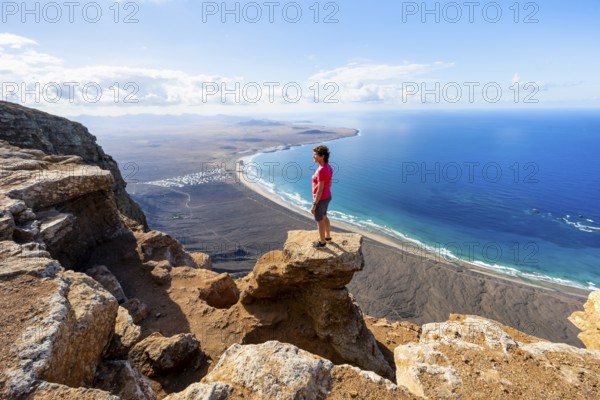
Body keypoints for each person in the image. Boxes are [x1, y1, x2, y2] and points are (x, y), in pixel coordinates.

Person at [311, 144, 332, 248]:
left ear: (322, 156)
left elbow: (319, 190)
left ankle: (322, 242)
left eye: (315, 155)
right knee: (324, 217)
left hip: (321, 198)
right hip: (327, 197)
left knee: (319, 220)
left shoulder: (321, 170)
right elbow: (330, 183)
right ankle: (328, 236)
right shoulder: (327, 167)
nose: (313, 157)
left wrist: (314, 205)